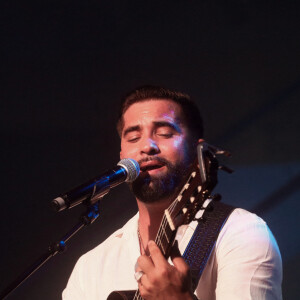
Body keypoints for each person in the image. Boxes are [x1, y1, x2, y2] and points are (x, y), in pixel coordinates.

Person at [63, 86, 282, 300]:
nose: (147, 145)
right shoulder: (90, 268)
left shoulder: (241, 233)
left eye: (165, 133)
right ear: (122, 155)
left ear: (197, 152)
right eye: (133, 137)